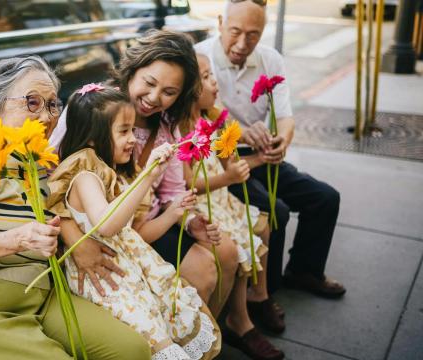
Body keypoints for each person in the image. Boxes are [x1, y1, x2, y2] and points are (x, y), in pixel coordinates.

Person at [0, 56, 151, 360]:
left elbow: (57, 213)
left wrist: (76, 242)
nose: (46, 116)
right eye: (32, 102)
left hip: (39, 299)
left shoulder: (39, 161)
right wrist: (17, 239)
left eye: (52, 104)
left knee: (131, 350)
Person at [50, 30, 236, 314]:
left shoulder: (167, 127)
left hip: (147, 223)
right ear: (132, 71)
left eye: (169, 92)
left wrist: (188, 222)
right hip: (100, 230)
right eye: (149, 83)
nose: (153, 98)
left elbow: (172, 191)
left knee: (227, 252)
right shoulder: (93, 109)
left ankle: (229, 325)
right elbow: (48, 179)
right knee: (203, 271)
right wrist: (75, 242)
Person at [48, 84, 221, 359]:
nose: (132, 139)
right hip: (106, 283)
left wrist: (173, 214)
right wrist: (147, 177)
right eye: (124, 131)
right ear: (93, 138)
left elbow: (131, 233)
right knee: (150, 338)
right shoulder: (84, 176)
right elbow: (106, 225)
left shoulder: (107, 175)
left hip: (128, 273)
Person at [195, 0, 345, 302]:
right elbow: (205, 116)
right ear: (221, 22)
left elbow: (286, 115)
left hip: (262, 153)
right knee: (275, 211)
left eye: (253, 34)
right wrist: (239, 132)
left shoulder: (270, 59)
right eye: (235, 31)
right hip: (224, 162)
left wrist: (282, 142)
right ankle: (265, 293)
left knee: (325, 198)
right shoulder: (201, 58)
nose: (242, 43)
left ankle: (304, 271)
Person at [181, 53, 284, 360]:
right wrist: (228, 176)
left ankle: (258, 295)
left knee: (263, 224)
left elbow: (231, 161)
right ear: (189, 88)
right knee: (239, 241)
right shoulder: (183, 129)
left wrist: (256, 160)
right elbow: (189, 183)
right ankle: (239, 320)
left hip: (222, 197)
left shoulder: (213, 117)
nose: (215, 82)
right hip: (204, 202)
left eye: (213, 75)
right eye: (207, 77)